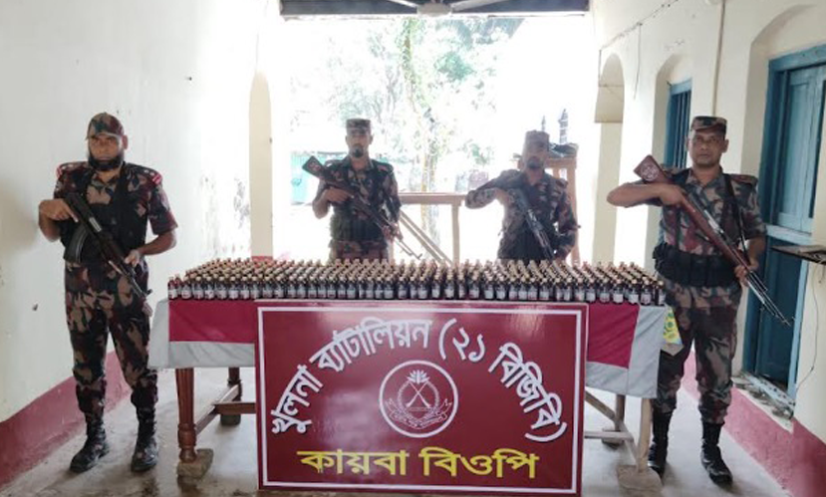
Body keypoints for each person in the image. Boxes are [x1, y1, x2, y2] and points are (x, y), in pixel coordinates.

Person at [607, 116, 767, 485]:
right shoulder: (670, 180)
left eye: (713, 139)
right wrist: (659, 191)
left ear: (725, 145)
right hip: (672, 298)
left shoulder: (739, 190)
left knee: (717, 377)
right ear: (687, 143)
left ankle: (711, 450)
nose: (705, 145)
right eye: (699, 139)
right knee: (665, 370)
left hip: (719, 300)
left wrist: (752, 257)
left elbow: (757, 233)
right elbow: (615, 196)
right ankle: (659, 446)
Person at [37, 113, 178, 473]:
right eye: (95, 141)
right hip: (80, 293)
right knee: (86, 366)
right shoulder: (70, 179)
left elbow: (169, 237)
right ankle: (95, 436)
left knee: (138, 365)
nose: (102, 147)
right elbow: (51, 234)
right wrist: (45, 209)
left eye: (109, 141)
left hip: (124, 290)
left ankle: (146, 435)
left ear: (123, 142)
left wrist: (141, 251)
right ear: (88, 142)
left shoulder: (144, 181)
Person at [465, 130, 577, 261]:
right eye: (529, 148)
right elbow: (470, 201)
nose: (534, 153)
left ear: (547, 154)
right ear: (523, 153)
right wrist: (495, 193)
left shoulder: (556, 188)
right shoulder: (507, 179)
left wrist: (560, 256)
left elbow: (570, 228)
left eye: (539, 149)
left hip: (543, 262)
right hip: (509, 259)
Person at [312, 118, 402, 261]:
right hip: (341, 252)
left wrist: (391, 224)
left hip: (376, 250)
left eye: (362, 134)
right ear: (347, 140)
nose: (357, 139)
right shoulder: (332, 172)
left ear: (370, 139)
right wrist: (326, 196)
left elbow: (394, 206)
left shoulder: (383, 172)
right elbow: (318, 213)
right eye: (353, 134)